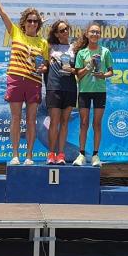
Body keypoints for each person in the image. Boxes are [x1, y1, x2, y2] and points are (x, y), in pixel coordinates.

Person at [0, 0, 49, 165]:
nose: (32, 23)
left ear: (38, 24)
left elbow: (45, 65)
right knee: (15, 118)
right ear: (24, 22)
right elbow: (1, 11)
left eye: (35, 21)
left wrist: (43, 68)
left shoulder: (43, 43)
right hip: (16, 80)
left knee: (31, 120)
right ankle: (15, 155)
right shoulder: (16, 33)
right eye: (29, 20)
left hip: (34, 82)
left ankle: (29, 156)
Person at [72, 23, 113, 167]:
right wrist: (89, 66)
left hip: (100, 91)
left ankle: (95, 155)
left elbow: (111, 72)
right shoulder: (82, 53)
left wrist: (103, 75)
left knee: (97, 123)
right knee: (84, 123)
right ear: (87, 34)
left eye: (97, 32)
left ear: (100, 35)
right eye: (92, 32)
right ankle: (81, 154)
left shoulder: (105, 51)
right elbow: (78, 74)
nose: (95, 34)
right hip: (84, 91)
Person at [44, 20, 77, 165]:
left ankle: (61, 155)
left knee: (64, 123)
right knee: (54, 122)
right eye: (62, 30)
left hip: (70, 88)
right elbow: (43, 65)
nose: (65, 32)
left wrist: (72, 70)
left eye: (67, 29)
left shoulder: (74, 48)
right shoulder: (49, 47)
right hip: (54, 88)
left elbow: (78, 70)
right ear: (56, 34)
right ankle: (51, 154)